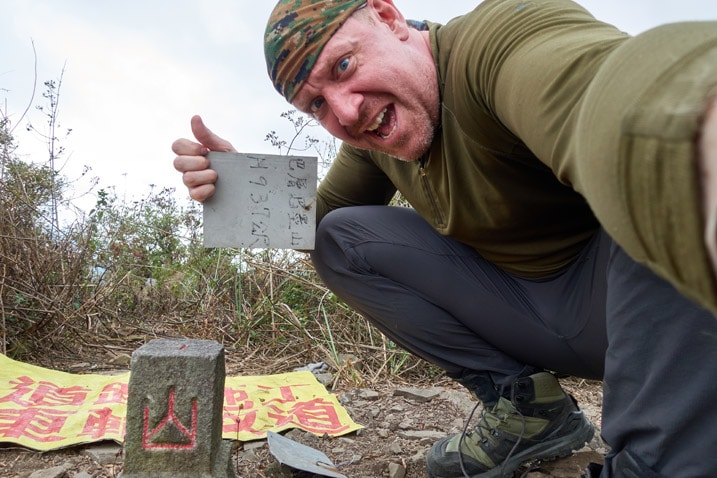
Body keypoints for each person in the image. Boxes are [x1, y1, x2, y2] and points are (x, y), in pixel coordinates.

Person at [172, 0, 717, 476]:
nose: (345, 110)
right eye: (317, 104)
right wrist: (243, 187)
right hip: (533, 313)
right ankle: (529, 412)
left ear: (388, 17)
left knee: (658, 172)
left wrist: (692, 111)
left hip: (641, 312)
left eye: (344, 64)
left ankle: (659, 462)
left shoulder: (494, 44)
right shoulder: (374, 139)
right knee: (339, 237)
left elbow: (609, 98)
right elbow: (313, 226)